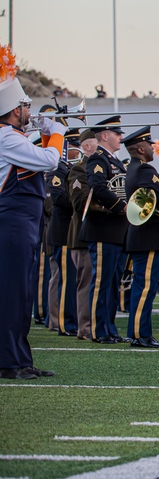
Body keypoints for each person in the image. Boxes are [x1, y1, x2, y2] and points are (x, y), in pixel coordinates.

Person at [0, 56, 64, 380]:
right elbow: (50, 161)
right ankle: (10, 362)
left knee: (23, 292)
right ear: (14, 110)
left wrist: (44, 135)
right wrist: (57, 134)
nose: (30, 111)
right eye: (25, 106)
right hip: (12, 221)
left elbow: (37, 160)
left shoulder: (15, 137)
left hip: (22, 221)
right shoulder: (7, 137)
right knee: (13, 292)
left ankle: (20, 358)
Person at [122, 127, 159, 348]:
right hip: (150, 236)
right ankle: (139, 334)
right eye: (150, 146)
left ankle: (141, 332)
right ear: (141, 148)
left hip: (144, 236)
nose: (153, 149)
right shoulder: (145, 170)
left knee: (144, 287)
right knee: (145, 287)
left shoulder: (133, 169)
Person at [80, 116, 130, 343]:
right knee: (101, 282)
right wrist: (122, 206)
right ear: (104, 135)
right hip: (102, 229)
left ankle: (109, 327)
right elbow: (98, 187)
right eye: (117, 133)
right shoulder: (98, 159)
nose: (121, 137)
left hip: (116, 230)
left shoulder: (115, 161)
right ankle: (99, 330)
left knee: (112, 282)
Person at [45, 128, 80, 336]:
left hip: (68, 232)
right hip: (62, 232)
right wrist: (81, 200)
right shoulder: (58, 169)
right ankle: (65, 323)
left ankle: (67, 320)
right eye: (74, 145)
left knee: (69, 279)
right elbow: (57, 199)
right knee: (65, 280)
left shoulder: (67, 168)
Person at [68, 129, 98, 340]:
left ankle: (100, 326)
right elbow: (79, 203)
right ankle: (85, 328)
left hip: (102, 235)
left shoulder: (105, 168)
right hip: (83, 236)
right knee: (86, 283)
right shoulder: (80, 170)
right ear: (87, 147)